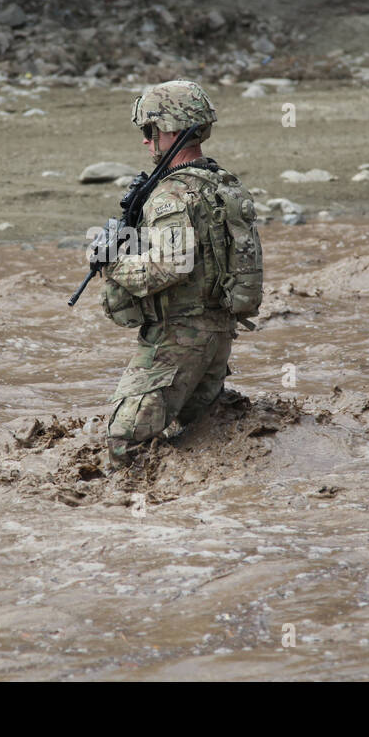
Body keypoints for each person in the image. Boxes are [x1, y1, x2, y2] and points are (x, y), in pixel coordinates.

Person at [96, 80, 262, 472]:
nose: (145, 142)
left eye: (148, 131)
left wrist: (111, 261)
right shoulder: (219, 183)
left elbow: (170, 267)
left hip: (178, 339)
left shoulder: (171, 196)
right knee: (203, 428)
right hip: (217, 333)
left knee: (123, 443)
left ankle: (153, 515)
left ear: (172, 130)